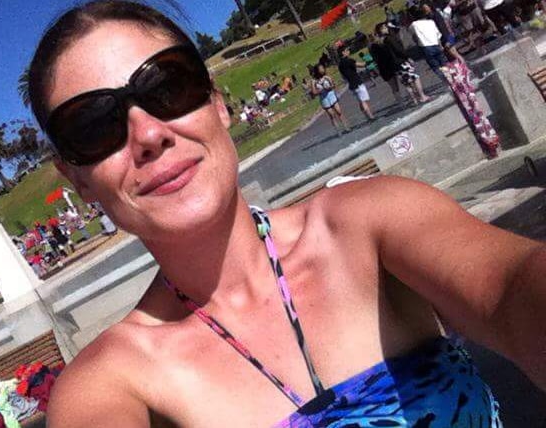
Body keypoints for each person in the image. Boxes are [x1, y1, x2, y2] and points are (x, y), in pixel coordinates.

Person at [28, 1, 545, 426]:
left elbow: (511, 287)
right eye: (94, 125)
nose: (148, 134)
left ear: (218, 103)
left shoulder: (367, 222)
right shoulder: (112, 380)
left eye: (166, 87)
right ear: (77, 177)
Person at [310, 64, 351, 135]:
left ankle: (346, 127)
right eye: (321, 69)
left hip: (331, 95)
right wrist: (322, 90)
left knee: (339, 112)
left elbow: (334, 85)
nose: (322, 70)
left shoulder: (327, 76)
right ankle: (338, 131)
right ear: (317, 71)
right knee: (332, 115)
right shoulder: (313, 81)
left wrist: (329, 87)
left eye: (323, 68)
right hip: (324, 99)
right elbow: (313, 92)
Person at [409, 5, 448, 78]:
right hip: (436, 44)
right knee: (444, 64)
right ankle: (451, 79)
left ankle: (445, 80)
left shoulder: (413, 25)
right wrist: (440, 45)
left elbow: (414, 37)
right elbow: (438, 35)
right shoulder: (431, 21)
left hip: (426, 48)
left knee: (436, 67)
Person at [337, 46, 375, 120]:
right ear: (343, 52)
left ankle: (367, 117)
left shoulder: (340, 65)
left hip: (351, 84)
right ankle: (371, 117)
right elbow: (361, 65)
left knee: (360, 101)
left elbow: (343, 77)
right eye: (347, 50)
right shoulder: (349, 60)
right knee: (364, 101)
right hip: (357, 82)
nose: (348, 51)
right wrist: (370, 60)